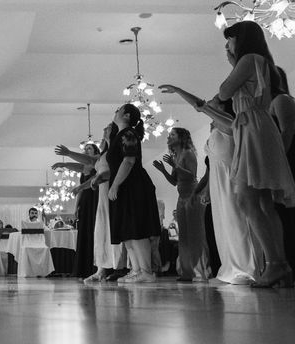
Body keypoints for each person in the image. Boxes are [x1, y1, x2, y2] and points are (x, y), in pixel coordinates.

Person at [216, 21, 295, 287]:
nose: (227, 45)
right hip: (256, 125)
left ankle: (275, 263)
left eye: (230, 40)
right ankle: (279, 264)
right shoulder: (259, 60)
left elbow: (225, 92)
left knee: (247, 200)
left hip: (251, 126)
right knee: (262, 202)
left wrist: (232, 63)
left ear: (241, 39)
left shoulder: (248, 58)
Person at [158, 85, 261, 284]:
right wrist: (204, 190)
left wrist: (179, 90)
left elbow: (199, 105)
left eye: (215, 100)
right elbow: (208, 170)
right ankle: (230, 267)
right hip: (216, 184)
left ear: (223, 107)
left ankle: (246, 269)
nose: (212, 100)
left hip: (231, 178)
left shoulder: (229, 123)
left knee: (237, 221)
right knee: (223, 226)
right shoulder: (214, 128)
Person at [107, 103, 161, 283]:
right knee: (127, 233)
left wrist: (114, 185)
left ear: (127, 116)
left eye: (118, 109)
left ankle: (146, 271)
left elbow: (128, 161)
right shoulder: (119, 136)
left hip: (134, 186)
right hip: (125, 186)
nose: (115, 112)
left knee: (137, 229)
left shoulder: (129, 134)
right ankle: (136, 270)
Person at [153, 128, 209, 282]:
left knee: (195, 234)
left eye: (172, 134)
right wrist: (164, 169)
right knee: (184, 236)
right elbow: (174, 181)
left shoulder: (188, 153)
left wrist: (174, 165)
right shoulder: (176, 156)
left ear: (182, 137)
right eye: (169, 135)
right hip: (181, 196)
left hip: (192, 195)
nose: (169, 137)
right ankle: (186, 272)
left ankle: (200, 271)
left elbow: (191, 175)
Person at [83, 123, 128, 283]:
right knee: (101, 230)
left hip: (112, 191)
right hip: (102, 192)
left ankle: (119, 267)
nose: (103, 129)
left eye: (107, 128)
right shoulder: (104, 152)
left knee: (113, 228)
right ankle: (101, 268)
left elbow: (115, 170)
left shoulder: (116, 149)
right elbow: (90, 165)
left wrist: (99, 178)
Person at [53, 143, 101, 278]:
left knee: (94, 229)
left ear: (96, 151)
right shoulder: (85, 167)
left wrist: (67, 158)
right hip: (85, 200)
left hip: (95, 198)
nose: (86, 150)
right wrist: (76, 207)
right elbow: (80, 170)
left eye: (89, 148)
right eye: (84, 149)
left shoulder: (98, 161)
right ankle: (84, 268)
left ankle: (96, 266)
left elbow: (91, 176)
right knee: (85, 231)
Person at [270, 67, 295, 273]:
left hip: (287, 161)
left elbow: (287, 131)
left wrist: (279, 162)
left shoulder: (281, 100)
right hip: (281, 161)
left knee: (287, 213)